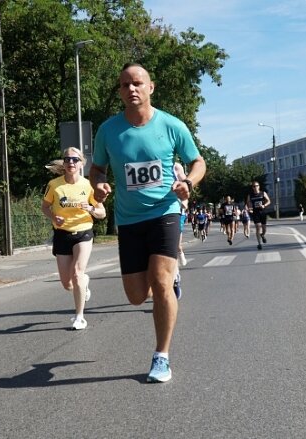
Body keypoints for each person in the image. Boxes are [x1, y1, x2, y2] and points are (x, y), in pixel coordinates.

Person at [90, 62, 206, 383]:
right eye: (125, 84)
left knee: (161, 281)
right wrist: (98, 184)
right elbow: (97, 168)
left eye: (138, 83)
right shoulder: (108, 130)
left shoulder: (171, 126)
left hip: (165, 213)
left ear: (150, 87)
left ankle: (162, 356)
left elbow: (198, 162)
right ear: (120, 91)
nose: (132, 89)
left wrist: (190, 183)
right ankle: (169, 278)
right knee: (136, 295)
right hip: (128, 221)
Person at [41, 147, 106, 331]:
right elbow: (45, 207)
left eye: (75, 160)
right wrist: (53, 217)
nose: (71, 162)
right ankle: (83, 284)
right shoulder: (54, 184)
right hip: (62, 234)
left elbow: (102, 213)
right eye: (67, 159)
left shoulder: (88, 185)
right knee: (67, 283)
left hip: (83, 232)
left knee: (77, 273)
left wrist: (91, 209)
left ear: (81, 163)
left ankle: (79, 317)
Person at [247, 181, 271, 250]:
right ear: (252, 187)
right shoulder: (250, 195)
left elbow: (269, 201)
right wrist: (249, 208)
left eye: (256, 186)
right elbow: (248, 202)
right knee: (258, 227)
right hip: (255, 213)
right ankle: (259, 244)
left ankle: (262, 235)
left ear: (259, 186)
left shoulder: (263, 193)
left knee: (264, 229)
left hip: (263, 212)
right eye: (254, 186)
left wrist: (264, 205)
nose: (255, 187)